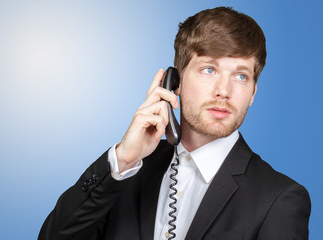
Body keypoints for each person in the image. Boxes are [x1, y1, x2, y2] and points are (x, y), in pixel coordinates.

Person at [38, 7, 311, 240]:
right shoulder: (127, 174)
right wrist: (122, 159)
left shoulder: (280, 199)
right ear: (175, 83)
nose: (224, 91)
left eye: (241, 76)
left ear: (252, 94)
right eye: (209, 69)